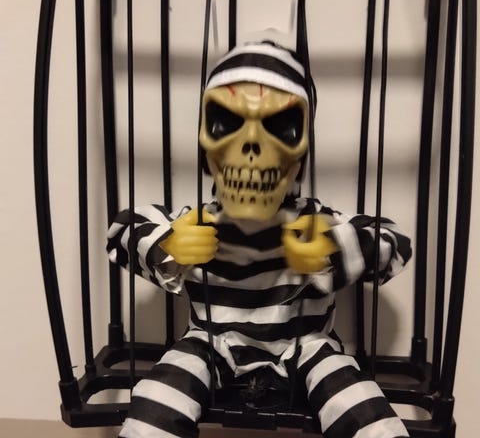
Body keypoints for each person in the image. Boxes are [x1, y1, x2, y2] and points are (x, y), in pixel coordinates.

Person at [107, 41, 412, 438]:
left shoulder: (314, 221)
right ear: (205, 143)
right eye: (227, 123)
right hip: (211, 343)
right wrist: (168, 245)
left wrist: (337, 249)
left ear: (302, 151)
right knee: (155, 407)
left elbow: (394, 241)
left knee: (365, 413)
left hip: (308, 348)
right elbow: (122, 230)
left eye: (281, 126)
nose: (252, 144)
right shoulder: (199, 221)